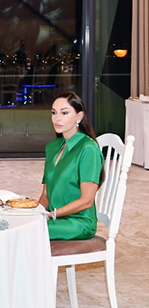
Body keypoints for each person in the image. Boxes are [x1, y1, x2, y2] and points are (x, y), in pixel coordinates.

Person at [38, 92, 104, 240]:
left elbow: (87, 201)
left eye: (64, 113)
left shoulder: (88, 149)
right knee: (19, 225)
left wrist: (52, 215)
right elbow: (45, 195)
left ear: (79, 117)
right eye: (54, 113)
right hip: (54, 218)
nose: (57, 118)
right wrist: (36, 214)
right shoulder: (52, 147)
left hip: (78, 223)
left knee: (29, 232)